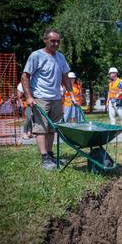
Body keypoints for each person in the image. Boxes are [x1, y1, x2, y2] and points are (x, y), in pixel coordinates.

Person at [21, 29, 75, 170]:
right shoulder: (36, 55)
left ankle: (50, 154)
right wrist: (28, 96)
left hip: (56, 99)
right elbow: (25, 76)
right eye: (52, 41)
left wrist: (72, 95)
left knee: (52, 129)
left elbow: (65, 77)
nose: (56, 43)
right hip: (40, 98)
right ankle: (44, 158)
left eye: (58, 41)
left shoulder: (61, 57)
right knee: (41, 129)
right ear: (45, 40)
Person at [106, 67, 122, 132]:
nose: (110, 75)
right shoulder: (110, 83)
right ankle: (113, 128)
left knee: (120, 114)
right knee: (111, 115)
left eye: (111, 73)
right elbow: (109, 92)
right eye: (109, 73)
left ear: (115, 73)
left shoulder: (120, 81)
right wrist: (107, 102)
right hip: (111, 101)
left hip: (118, 101)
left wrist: (119, 93)